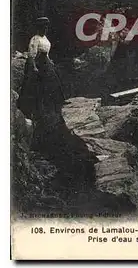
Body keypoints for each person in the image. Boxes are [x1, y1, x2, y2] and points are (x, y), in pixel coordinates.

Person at [17, 17, 97, 188]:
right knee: (41, 86)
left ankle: (55, 103)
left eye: (47, 26)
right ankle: (41, 107)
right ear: (39, 27)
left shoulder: (45, 39)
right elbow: (32, 56)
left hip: (46, 62)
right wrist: (36, 68)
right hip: (38, 64)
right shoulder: (35, 39)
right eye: (43, 26)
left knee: (55, 82)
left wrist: (49, 61)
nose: (45, 28)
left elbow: (47, 53)